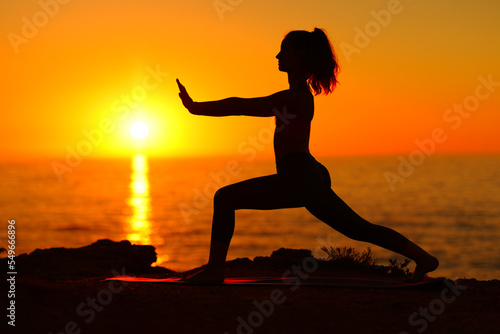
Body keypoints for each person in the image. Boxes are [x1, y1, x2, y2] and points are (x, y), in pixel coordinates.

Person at [176, 28, 439, 284]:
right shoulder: (297, 96)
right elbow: (242, 105)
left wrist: (195, 108)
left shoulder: (296, 97)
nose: (278, 56)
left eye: (284, 51)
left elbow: (241, 105)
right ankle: (424, 259)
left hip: (299, 176)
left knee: (225, 197)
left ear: (300, 54)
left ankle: (214, 271)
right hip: (307, 175)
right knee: (359, 229)